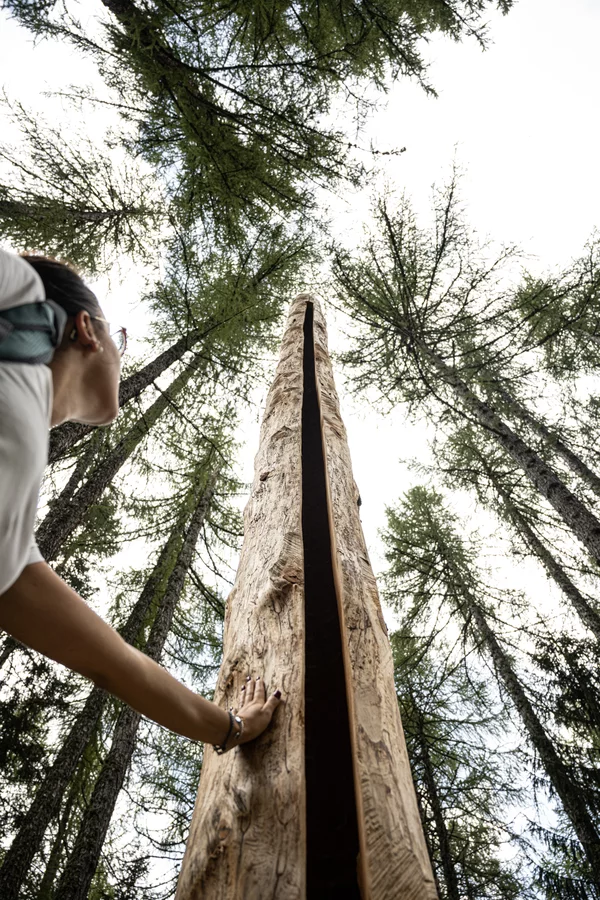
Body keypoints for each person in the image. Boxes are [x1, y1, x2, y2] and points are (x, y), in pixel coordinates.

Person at [0, 249, 281, 753]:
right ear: (86, 329)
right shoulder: (18, 293)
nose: (122, 353)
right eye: (120, 339)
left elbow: (112, 662)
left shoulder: (11, 544)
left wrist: (230, 727)